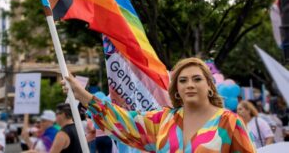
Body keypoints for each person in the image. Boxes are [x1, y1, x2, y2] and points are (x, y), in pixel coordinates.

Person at [62, 57, 256, 152]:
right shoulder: (163, 120)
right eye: (182, 80)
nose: (189, 85)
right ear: (176, 90)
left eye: (197, 79)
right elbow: (123, 121)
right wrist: (84, 96)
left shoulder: (229, 123)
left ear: (210, 86)